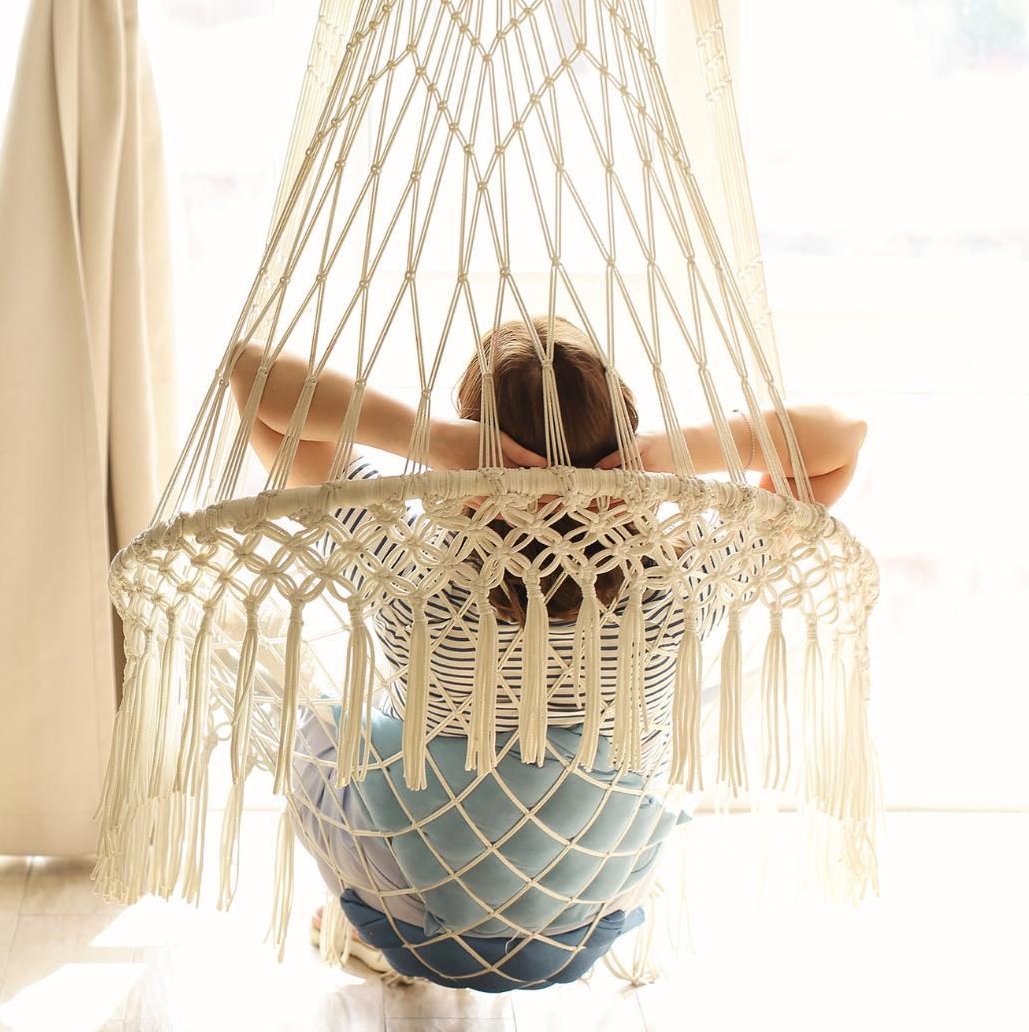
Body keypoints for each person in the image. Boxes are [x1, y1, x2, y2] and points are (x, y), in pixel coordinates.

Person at [227, 318, 867, 989]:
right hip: (582, 920)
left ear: (474, 458)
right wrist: (667, 455)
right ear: (622, 444)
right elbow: (841, 443)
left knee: (329, 727)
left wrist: (433, 440)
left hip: (410, 921)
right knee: (619, 781)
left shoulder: (409, 572)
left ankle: (360, 925)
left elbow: (251, 377)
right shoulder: (675, 589)